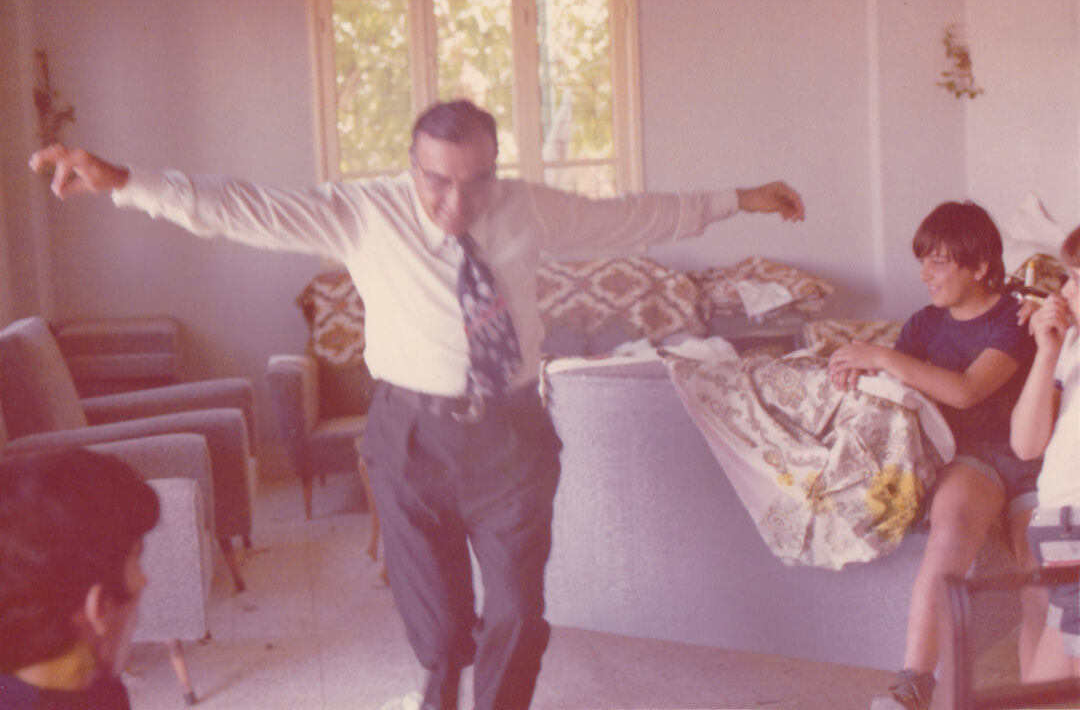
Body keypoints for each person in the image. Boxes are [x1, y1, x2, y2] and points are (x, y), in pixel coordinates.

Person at [30, 98, 805, 710]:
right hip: (409, 440)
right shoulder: (365, 212)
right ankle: (438, 687)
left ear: (496, 169)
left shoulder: (526, 208)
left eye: (475, 181)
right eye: (437, 181)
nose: (455, 201)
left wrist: (740, 198)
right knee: (439, 630)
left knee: (517, 613)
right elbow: (242, 206)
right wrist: (124, 181)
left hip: (512, 436)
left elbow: (637, 214)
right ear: (411, 169)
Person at [827, 201, 1042, 710]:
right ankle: (914, 684)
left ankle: (1040, 693)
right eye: (922, 261)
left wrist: (883, 356)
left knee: (1036, 572)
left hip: (1034, 454)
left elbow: (968, 390)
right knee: (949, 533)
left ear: (980, 266)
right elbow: (899, 391)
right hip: (973, 458)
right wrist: (860, 370)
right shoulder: (924, 324)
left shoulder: (1014, 317)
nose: (925, 274)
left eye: (939, 262)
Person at [0, 448, 160, 710]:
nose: (144, 581)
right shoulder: (100, 693)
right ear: (96, 607)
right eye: (135, 558)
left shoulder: (90, 681)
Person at [1010, 225, 1080, 683]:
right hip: (1059, 531)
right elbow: (1026, 444)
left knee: (1050, 688)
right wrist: (1047, 352)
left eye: (1076, 278)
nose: (1066, 291)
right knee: (1051, 688)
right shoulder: (1070, 345)